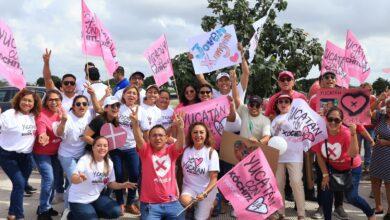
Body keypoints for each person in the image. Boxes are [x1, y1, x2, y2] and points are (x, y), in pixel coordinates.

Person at [311, 107, 375, 220]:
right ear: (325, 119)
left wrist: (353, 134)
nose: (333, 123)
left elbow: (353, 154)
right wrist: (325, 174)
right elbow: (319, 155)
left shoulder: (346, 133)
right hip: (332, 167)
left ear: (342, 121)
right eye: (330, 119)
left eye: (337, 120)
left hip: (351, 168)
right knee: (326, 194)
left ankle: (370, 213)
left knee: (352, 197)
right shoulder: (320, 133)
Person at [131, 107, 186, 220]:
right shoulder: (146, 151)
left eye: (161, 135)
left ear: (166, 138)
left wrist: (180, 129)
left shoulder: (171, 151)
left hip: (171, 202)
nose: (158, 138)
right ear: (149, 138)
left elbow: (180, 144)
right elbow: (138, 139)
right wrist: (135, 123)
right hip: (150, 205)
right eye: (154, 135)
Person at [67, 136, 137, 219]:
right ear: (93, 147)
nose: (102, 148)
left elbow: (110, 183)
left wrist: (123, 185)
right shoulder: (85, 160)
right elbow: (73, 178)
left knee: (116, 211)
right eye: (99, 145)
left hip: (95, 198)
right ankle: (72, 216)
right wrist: (79, 179)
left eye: (105, 145)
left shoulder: (109, 163)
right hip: (79, 200)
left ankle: (85, 213)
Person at [0, 89, 41, 220]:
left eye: (30, 101)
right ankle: (19, 216)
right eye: (24, 100)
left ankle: (12, 213)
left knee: (20, 185)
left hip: (26, 157)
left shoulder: (35, 116)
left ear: (34, 103)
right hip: (8, 156)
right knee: (19, 183)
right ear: (19, 100)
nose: (27, 103)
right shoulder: (9, 114)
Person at [53, 95, 94, 210]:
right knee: (75, 182)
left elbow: (99, 107)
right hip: (67, 156)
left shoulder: (89, 114)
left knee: (74, 182)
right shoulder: (68, 118)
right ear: (73, 106)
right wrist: (63, 122)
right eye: (78, 104)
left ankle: (75, 207)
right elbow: (59, 133)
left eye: (84, 104)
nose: (82, 106)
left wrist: (99, 94)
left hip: (81, 155)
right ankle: (67, 212)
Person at [114, 85, 150, 215]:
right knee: (117, 175)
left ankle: (130, 203)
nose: (131, 95)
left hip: (132, 148)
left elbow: (146, 131)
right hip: (116, 148)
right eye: (128, 93)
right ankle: (119, 202)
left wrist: (149, 147)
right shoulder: (117, 108)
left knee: (134, 175)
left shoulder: (141, 111)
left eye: (134, 93)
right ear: (123, 95)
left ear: (137, 97)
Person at [271, 94, 305, 219]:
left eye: (286, 101)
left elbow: (307, 133)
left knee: (296, 182)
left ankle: (301, 213)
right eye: (280, 101)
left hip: (295, 156)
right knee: (279, 184)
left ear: (291, 104)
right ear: (277, 104)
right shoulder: (274, 120)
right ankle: (280, 212)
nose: (283, 103)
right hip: (279, 157)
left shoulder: (299, 117)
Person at [33, 89, 64, 219]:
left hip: (56, 153)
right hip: (42, 153)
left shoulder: (63, 112)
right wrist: (42, 135)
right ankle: (43, 212)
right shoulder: (41, 114)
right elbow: (41, 128)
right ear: (46, 101)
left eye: (57, 99)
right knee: (49, 179)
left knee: (55, 180)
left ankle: (45, 206)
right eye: (50, 99)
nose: (54, 102)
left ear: (60, 101)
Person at [180, 122, 219, 220]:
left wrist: (205, 193)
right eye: (195, 132)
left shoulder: (211, 153)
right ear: (191, 134)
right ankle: (192, 207)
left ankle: (214, 202)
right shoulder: (186, 149)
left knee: (200, 218)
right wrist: (179, 126)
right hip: (189, 187)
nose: (198, 135)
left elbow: (214, 179)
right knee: (185, 201)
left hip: (206, 190)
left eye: (201, 132)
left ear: (206, 135)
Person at [231, 70, 271, 145]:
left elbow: (267, 137)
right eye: (252, 105)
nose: (254, 107)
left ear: (261, 107)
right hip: (241, 147)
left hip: (254, 148)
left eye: (257, 105)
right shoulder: (244, 110)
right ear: (248, 105)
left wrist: (258, 142)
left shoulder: (265, 120)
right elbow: (236, 98)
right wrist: (233, 81)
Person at [370, 95, 390, 220]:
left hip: (389, 156)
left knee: (389, 184)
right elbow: (367, 112)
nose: (389, 109)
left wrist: (387, 143)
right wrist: (378, 100)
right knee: (375, 180)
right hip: (377, 154)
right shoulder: (380, 117)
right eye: (388, 106)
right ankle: (378, 207)